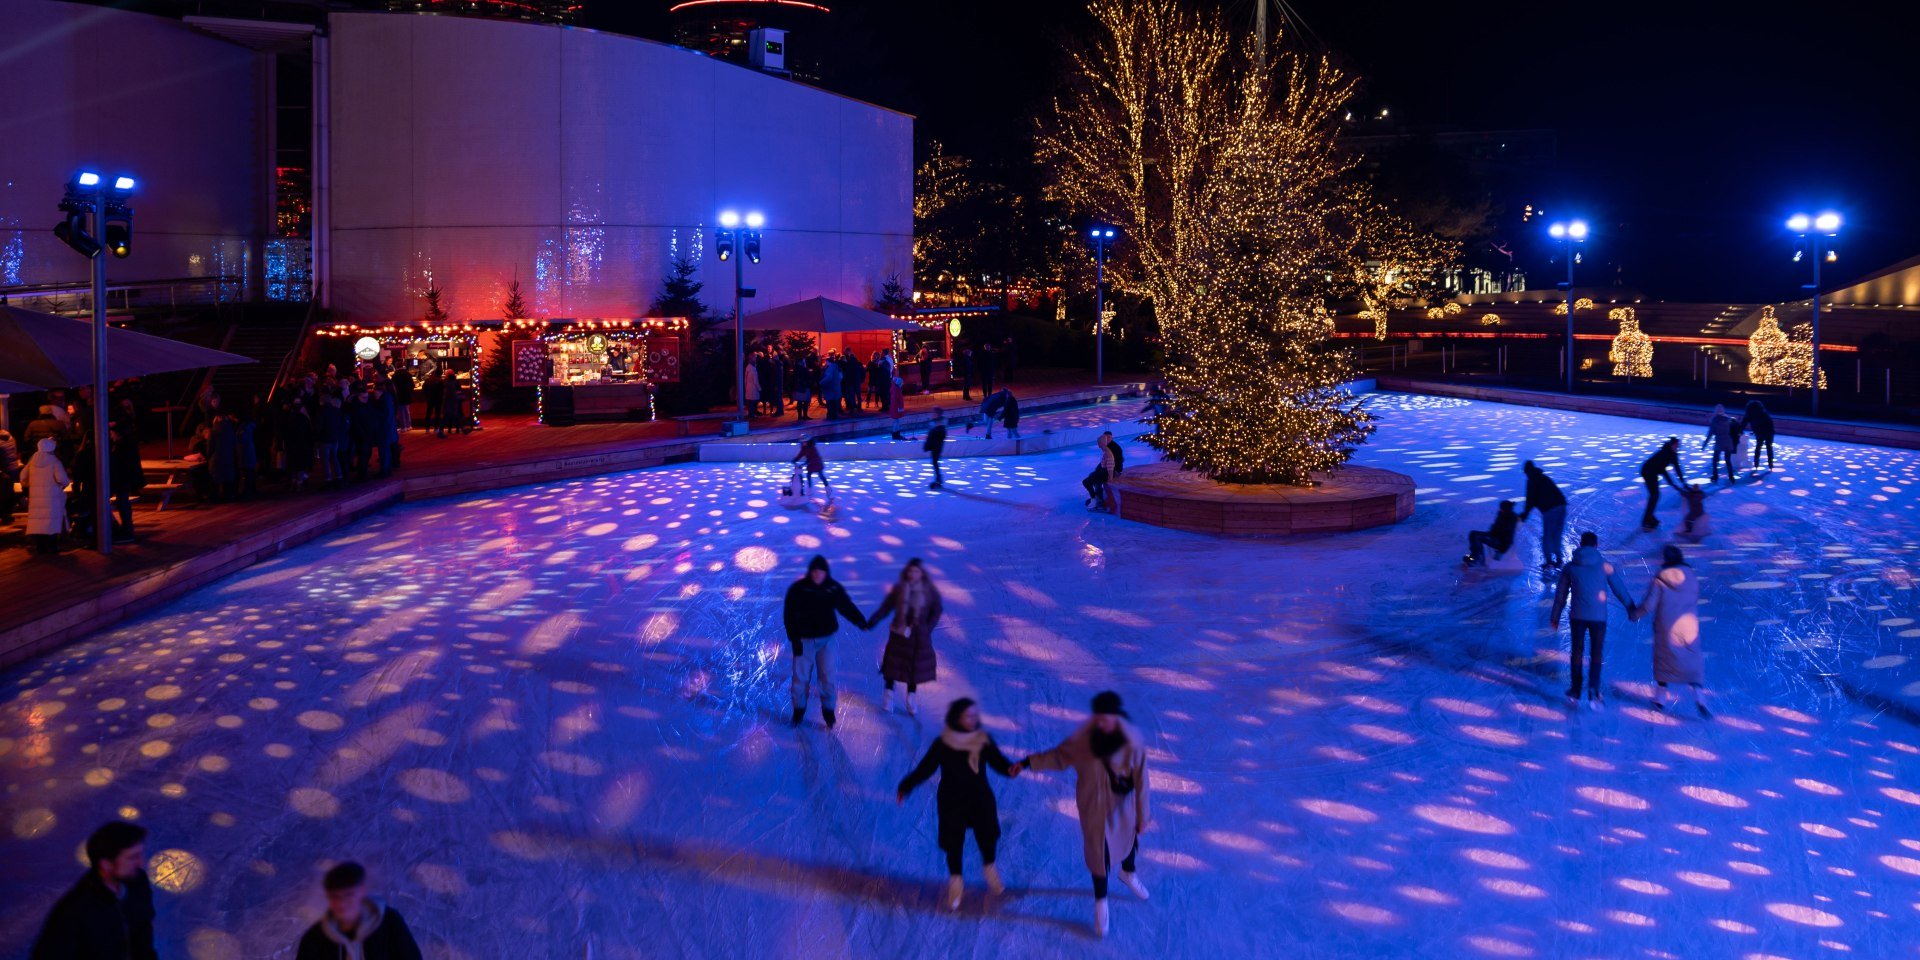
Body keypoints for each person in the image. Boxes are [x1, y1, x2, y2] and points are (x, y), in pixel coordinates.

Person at [1012, 691, 1151, 938]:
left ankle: (1128, 873)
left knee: (1128, 843)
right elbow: (1056, 757)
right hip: (1093, 810)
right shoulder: (1083, 743)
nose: (1102, 723)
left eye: (1107, 718)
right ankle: (1101, 904)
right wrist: (1025, 763)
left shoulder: (1132, 744)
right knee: (1099, 857)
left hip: (1122, 808)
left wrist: (1143, 816)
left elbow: (1142, 781)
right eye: (1099, 718)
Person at [897, 698, 1019, 910]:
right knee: (954, 842)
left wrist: (1010, 769)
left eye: (974, 715)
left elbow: (998, 762)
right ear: (957, 717)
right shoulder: (943, 744)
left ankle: (989, 869)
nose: (972, 719)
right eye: (967, 716)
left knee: (988, 834)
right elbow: (925, 769)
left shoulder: (982, 740)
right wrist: (906, 785)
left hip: (980, 797)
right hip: (952, 799)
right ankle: (956, 882)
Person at [30, 820, 156, 960]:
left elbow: (143, 933)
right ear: (106, 864)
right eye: (132, 858)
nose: (140, 863)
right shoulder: (74, 910)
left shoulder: (138, 883)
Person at [782, 555, 868, 729]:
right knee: (800, 678)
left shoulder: (832, 588)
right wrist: (794, 640)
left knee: (827, 677)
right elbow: (789, 616)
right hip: (804, 641)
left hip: (826, 641)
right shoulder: (798, 589)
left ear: (825, 573)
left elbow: (846, 606)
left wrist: (859, 620)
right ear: (810, 572)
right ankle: (799, 710)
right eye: (814, 572)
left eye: (820, 572)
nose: (817, 575)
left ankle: (828, 711)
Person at [1551, 531, 1634, 709]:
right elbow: (1618, 587)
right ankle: (1594, 691)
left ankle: (1575, 690)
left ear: (1581, 544)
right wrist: (1630, 606)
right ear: (1596, 545)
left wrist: (1555, 617)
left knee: (1577, 653)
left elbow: (1560, 594)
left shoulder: (1570, 567)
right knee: (1596, 653)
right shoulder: (1604, 565)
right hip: (1598, 618)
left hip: (1578, 616)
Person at [1629, 544, 1710, 719]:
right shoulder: (1692, 578)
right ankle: (1700, 699)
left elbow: (1649, 605)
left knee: (1665, 663)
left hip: (1667, 627)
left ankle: (1660, 699)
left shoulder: (1660, 580)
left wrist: (1635, 614)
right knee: (1692, 663)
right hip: (1688, 626)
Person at [294, 861, 423, 960]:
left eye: (348, 895)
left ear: (361, 892)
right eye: (336, 897)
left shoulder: (389, 924)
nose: (342, 903)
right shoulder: (317, 937)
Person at [869, 558, 944, 715]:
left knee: (913, 668)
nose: (912, 574)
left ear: (921, 573)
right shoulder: (899, 589)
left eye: (916, 571)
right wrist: (873, 620)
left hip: (918, 636)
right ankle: (888, 695)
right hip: (899, 633)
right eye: (910, 571)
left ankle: (911, 698)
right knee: (892, 665)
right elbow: (886, 607)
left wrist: (927, 627)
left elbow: (936, 611)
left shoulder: (929, 591)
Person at [1517, 460, 1568, 567]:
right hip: (1561, 506)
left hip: (1550, 509)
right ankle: (1559, 558)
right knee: (1557, 534)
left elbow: (1530, 500)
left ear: (1527, 471)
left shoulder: (1532, 480)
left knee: (1548, 535)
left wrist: (1525, 515)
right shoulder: (1544, 477)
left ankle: (1549, 560)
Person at [25, 437, 70, 554]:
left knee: (38, 520)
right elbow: (62, 479)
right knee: (51, 521)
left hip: (35, 498)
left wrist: (30, 485)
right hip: (52, 496)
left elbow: (22, 476)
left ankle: (40, 546)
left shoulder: (32, 460)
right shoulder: (54, 461)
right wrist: (64, 484)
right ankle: (52, 546)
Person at [1639, 437, 1685, 529]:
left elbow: (1677, 467)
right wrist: (1671, 482)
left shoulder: (1673, 454)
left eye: (1678, 445)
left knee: (1655, 496)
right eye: (1676, 445)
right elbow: (1662, 469)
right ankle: (1647, 519)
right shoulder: (1665, 453)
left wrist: (1682, 481)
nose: (1678, 447)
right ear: (1672, 445)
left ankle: (1649, 517)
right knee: (1654, 495)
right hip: (1648, 471)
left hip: (1654, 472)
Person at [1464, 500, 1520, 566]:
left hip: (1501, 543)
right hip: (1495, 537)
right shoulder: (1502, 514)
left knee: (1476, 536)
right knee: (1473, 534)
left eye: (1502, 508)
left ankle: (1478, 559)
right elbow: (1496, 529)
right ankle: (1475, 556)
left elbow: (1507, 535)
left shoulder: (1511, 518)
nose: (1500, 509)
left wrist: (1501, 551)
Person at [1703, 404, 1737, 484]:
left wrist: (1705, 444)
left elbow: (1710, 433)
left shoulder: (1714, 420)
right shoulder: (1728, 419)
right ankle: (1731, 477)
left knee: (1715, 460)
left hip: (1719, 442)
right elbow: (1733, 431)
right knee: (1728, 460)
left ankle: (1715, 476)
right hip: (1728, 442)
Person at [791, 436, 832, 503]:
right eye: (802, 442)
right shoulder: (803, 449)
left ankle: (828, 488)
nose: (803, 443)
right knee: (808, 475)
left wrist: (804, 464)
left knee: (821, 475)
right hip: (810, 464)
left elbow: (815, 458)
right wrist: (794, 460)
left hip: (817, 463)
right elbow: (799, 455)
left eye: (804, 442)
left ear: (807, 441)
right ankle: (810, 489)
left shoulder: (812, 447)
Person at [1083, 433, 1116, 511]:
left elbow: (1110, 467)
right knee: (1087, 481)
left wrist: (1110, 479)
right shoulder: (1104, 451)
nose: (1097, 444)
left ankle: (1094, 500)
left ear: (1101, 443)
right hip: (1101, 471)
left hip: (1104, 473)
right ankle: (1095, 499)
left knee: (1086, 482)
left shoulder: (1108, 453)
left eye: (1098, 442)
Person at [1743, 399, 1776, 472]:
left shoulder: (1750, 414)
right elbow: (1768, 424)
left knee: (1760, 446)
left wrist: (1739, 431)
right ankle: (1769, 464)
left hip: (1764, 432)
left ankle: (1757, 463)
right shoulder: (1763, 413)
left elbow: (1744, 423)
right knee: (1767, 447)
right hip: (1767, 432)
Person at [0, 427, 22, 525]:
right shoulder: (11, 438)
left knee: (4, 494)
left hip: (4, 470)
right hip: (13, 469)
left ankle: (5, 515)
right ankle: (7, 515)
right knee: (9, 493)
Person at [924, 409, 948, 489]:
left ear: (937, 414)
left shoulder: (940, 424)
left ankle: (939, 479)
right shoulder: (934, 422)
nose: (932, 414)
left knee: (935, 462)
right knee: (934, 462)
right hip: (934, 445)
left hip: (937, 446)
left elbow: (941, 435)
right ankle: (938, 478)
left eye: (933, 412)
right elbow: (930, 434)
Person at [819, 356, 843, 421]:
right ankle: (834, 415)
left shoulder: (830, 368)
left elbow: (828, 378)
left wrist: (821, 383)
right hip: (836, 388)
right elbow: (841, 376)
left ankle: (830, 416)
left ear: (828, 362)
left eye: (826, 362)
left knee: (830, 403)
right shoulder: (837, 367)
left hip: (830, 388)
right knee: (834, 403)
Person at [888, 373, 907, 440]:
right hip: (896, 408)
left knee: (897, 421)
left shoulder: (895, 388)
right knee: (896, 421)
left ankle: (896, 433)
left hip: (895, 407)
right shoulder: (896, 390)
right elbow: (896, 400)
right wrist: (899, 408)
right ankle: (895, 434)